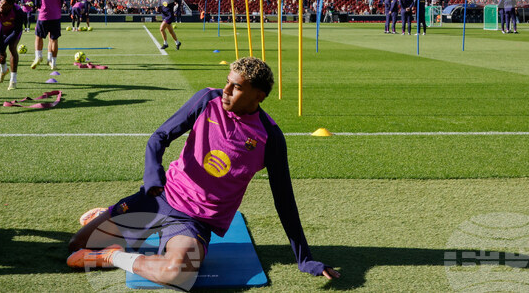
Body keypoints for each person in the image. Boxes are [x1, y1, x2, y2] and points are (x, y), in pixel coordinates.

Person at [66, 58, 339, 288]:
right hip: (159, 196)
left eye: (237, 87)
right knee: (77, 244)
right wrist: (153, 176)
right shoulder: (208, 99)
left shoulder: (270, 137)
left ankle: (113, 256)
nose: (227, 90)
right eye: (227, 81)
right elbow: (159, 137)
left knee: (177, 275)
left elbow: (284, 200)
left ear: (259, 96)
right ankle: (121, 220)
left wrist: (304, 259)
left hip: (195, 220)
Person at [30, 0, 64, 71]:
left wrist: (41, 7)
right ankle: (53, 62)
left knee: (38, 37)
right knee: (54, 40)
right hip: (55, 16)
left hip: (43, 16)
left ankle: (38, 56)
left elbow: (36, 2)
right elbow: (62, 1)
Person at [0, 0, 27, 91]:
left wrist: (5, 43)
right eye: (1, 3)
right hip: (1, 31)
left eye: (5, 4)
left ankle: (13, 80)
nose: (1, 6)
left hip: (13, 32)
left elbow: (16, 31)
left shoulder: (18, 12)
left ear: (11, 5)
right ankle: (4, 70)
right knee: (1, 53)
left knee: (12, 48)